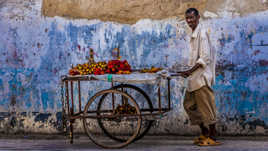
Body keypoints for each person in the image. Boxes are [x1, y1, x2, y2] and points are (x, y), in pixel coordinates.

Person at [179, 8, 221, 146]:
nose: (189, 20)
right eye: (187, 18)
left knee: (207, 108)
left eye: (192, 17)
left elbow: (205, 58)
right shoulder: (194, 33)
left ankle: (213, 137)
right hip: (193, 78)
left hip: (201, 77)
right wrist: (188, 71)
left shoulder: (202, 33)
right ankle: (204, 132)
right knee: (189, 105)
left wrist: (189, 70)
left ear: (198, 18)